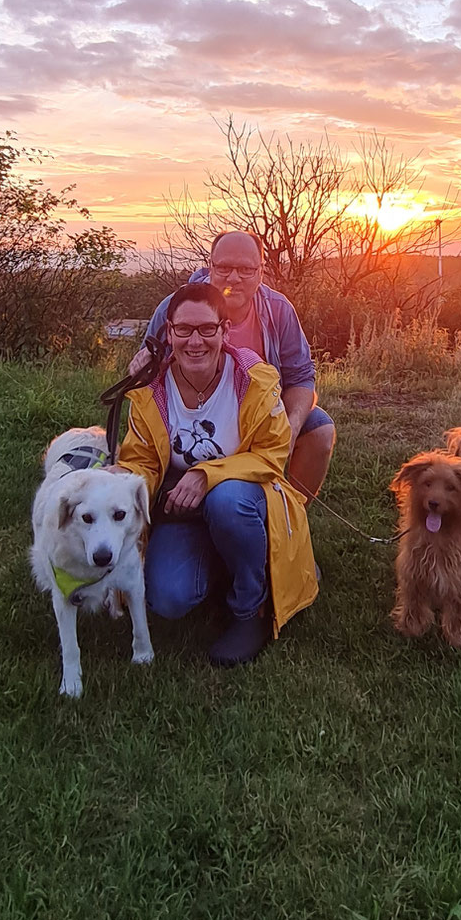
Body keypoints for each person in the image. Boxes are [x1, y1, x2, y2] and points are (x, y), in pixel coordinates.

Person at [117, 281, 318, 666]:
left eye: (207, 329)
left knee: (227, 501)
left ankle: (249, 610)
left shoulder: (254, 381)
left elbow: (272, 454)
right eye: (184, 330)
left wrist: (206, 474)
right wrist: (122, 481)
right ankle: (228, 566)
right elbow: (141, 459)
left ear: (225, 331)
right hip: (181, 508)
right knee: (167, 599)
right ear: (169, 332)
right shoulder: (150, 389)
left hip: (244, 499)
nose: (195, 341)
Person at [135, 231, 336, 499]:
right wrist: (142, 367)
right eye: (225, 267)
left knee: (320, 429)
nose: (234, 278)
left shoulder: (279, 310)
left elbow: (301, 376)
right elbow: (148, 374)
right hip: (194, 419)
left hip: (261, 415)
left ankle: (289, 511)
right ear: (210, 265)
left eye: (245, 269)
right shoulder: (175, 307)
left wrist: (291, 425)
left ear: (261, 271)